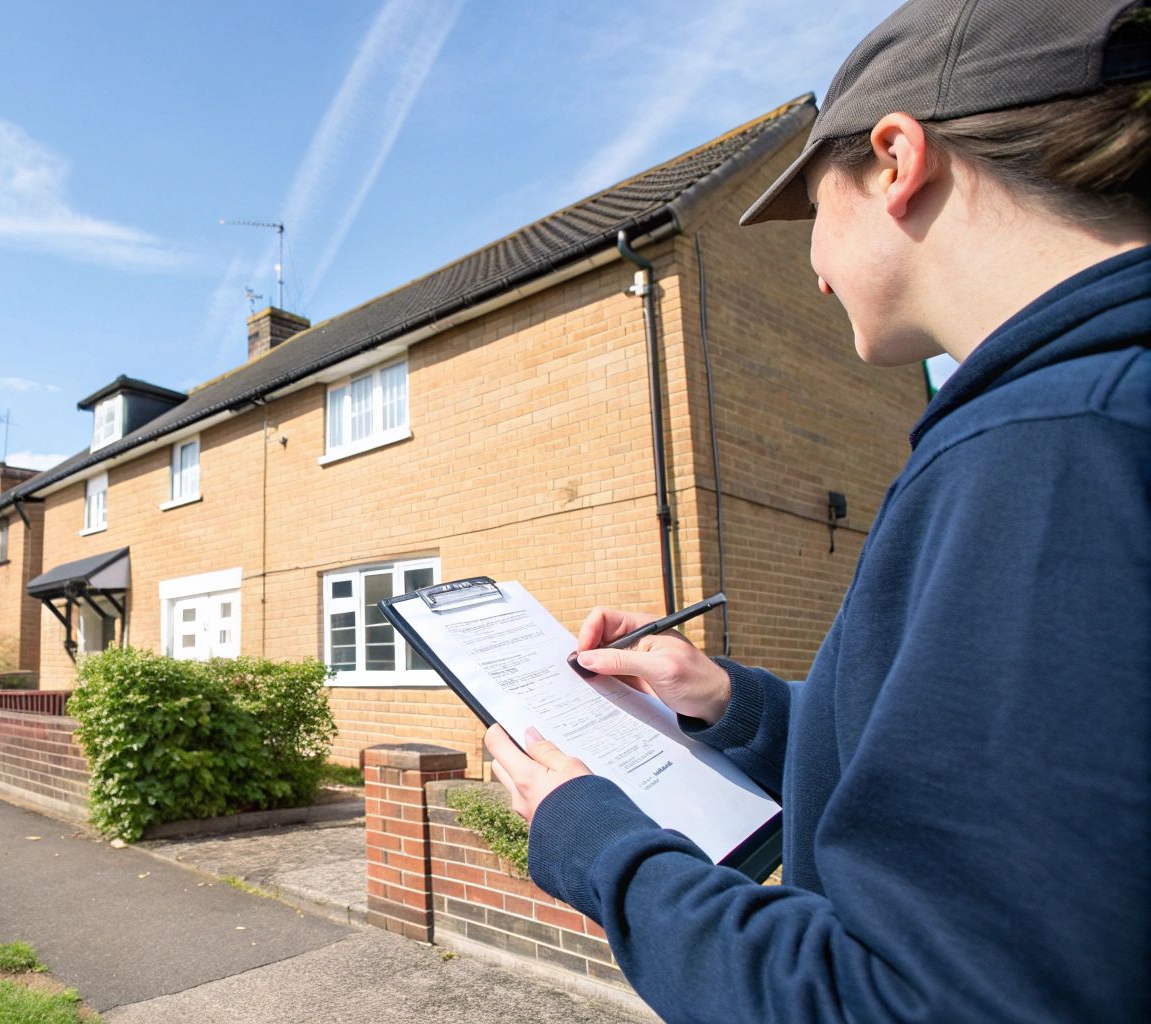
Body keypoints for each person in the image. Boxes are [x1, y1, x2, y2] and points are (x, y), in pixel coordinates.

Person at [482, 1, 1151, 1020]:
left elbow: (921, 999)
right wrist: (728, 700)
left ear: (894, 158)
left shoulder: (1051, 448)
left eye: (808, 209)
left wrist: (597, 844)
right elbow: (967, 795)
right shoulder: (1087, 408)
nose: (807, 263)